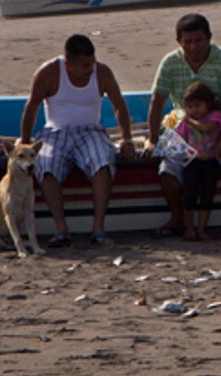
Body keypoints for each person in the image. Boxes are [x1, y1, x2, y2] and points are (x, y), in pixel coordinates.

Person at [18, 34, 136, 247]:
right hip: (56, 132)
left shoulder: (102, 72)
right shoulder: (49, 72)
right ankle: (61, 228)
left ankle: (98, 228)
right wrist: (25, 142)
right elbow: (32, 107)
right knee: (46, 164)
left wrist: (127, 139)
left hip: (91, 131)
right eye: (84, 66)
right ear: (68, 64)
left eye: (91, 63)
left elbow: (119, 105)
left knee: (102, 160)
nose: (89, 69)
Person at [142, 14, 221, 243]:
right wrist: (152, 139)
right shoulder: (170, 62)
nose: (193, 47)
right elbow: (157, 101)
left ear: (209, 38)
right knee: (167, 167)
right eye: (187, 42)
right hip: (185, 127)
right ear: (178, 41)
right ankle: (178, 218)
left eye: (199, 41)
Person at [174, 81, 221, 242]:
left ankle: (201, 229)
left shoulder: (215, 116)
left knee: (207, 197)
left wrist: (191, 122)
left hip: (210, 162)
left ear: (207, 104)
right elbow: (179, 139)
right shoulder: (185, 123)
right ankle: (190, 228)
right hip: (192, 163)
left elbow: (208, 128)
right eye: (190, 107)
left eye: (197, 106)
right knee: (189, 195)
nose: (194, 110)